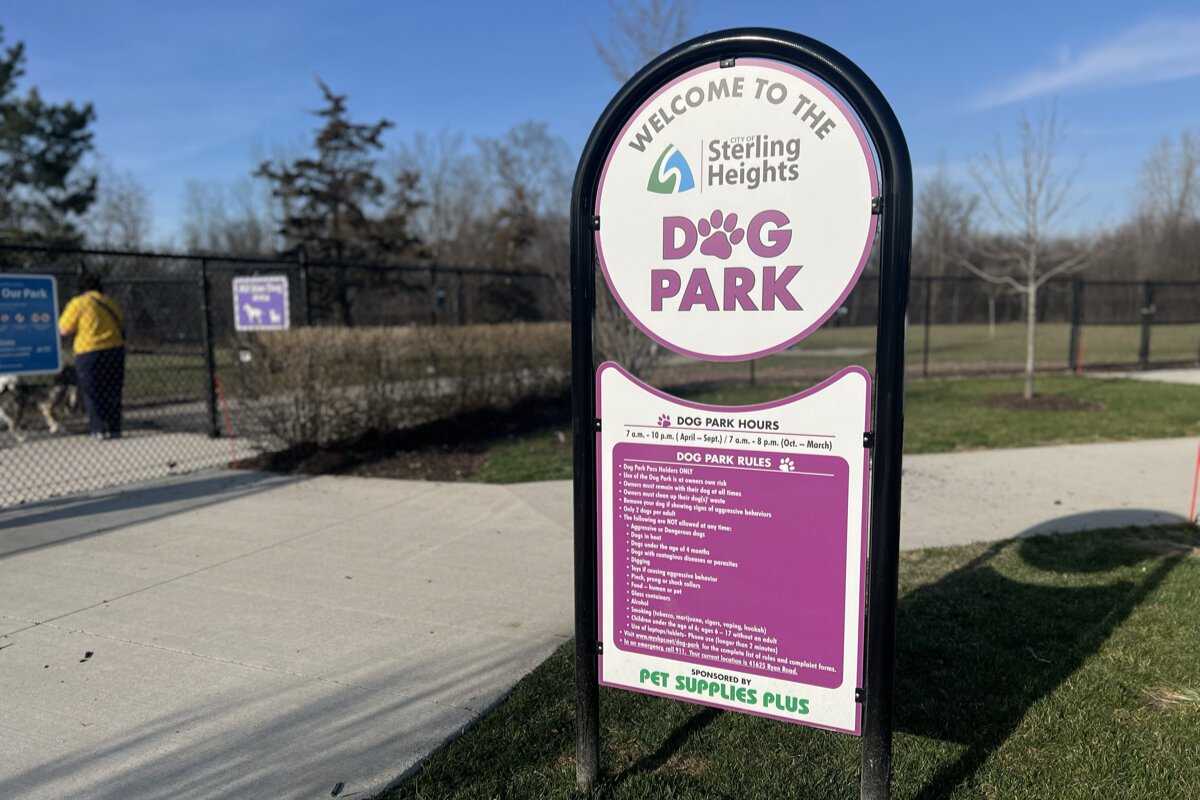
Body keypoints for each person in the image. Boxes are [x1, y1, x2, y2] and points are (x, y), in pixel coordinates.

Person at [58, 273, 125, 440]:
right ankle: (115, 428)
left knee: (92, 391)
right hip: (114, 349)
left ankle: (98, 429)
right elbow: (121, 320)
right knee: (112, 391)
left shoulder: (78, 303)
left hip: (89, 351)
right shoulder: (108, 301)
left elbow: (64, 329)